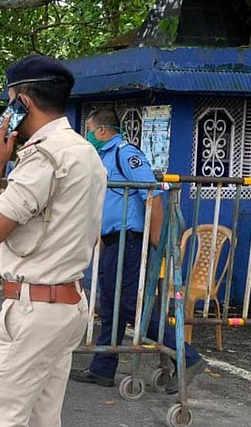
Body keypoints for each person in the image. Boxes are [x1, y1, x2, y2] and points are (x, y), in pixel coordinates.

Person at [0, 54, 106, 427]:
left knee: (4, 419)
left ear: (23, 102)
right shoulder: (86, 153)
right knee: (43, 419)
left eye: (10, 100)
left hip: (35, 308)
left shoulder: (44, 158)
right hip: (67, 303)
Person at [69, 107, 207, 394]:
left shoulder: (124, 153)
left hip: (130, 240)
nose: (88, 136)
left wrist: (156, 238)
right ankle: (102, 368)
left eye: (90, 130)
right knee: (110, 304)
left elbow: (152, 191)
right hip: (113, 240)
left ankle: (186, 356)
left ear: (103, 131)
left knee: (129, 304)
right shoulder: (102, 157)